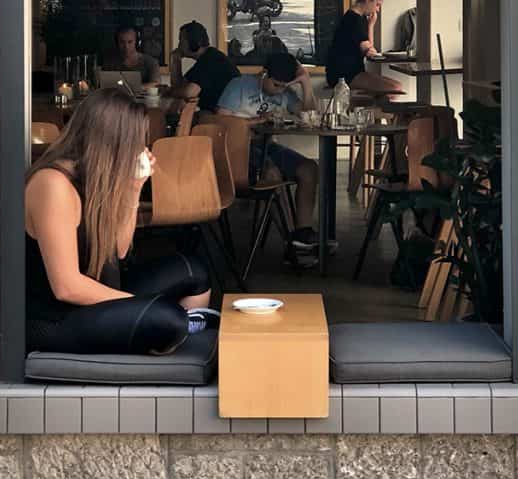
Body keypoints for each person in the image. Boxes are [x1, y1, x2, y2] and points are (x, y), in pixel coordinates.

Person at [25, 87, 217, 356]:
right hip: (55, 320)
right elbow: (66, 287)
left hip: (93, 301)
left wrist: (134, 187)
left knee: (193, 272)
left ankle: (173, 346)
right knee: (168, 317)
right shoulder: (53, 185)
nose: (140, 149)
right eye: (136, 142)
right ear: (112, 142)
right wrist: (141, 304)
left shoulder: (95, 175)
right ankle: (162, 336)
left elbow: (119, 251)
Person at [216, 52, 320, 253]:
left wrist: (305, 82)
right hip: (238, 150)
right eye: (276, 85)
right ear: (264, 74)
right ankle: (291, 240)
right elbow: (221, 123)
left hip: (267, 146)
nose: (279, 90)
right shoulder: (239, 86)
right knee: (272, 173)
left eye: (284, 86)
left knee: (309, 169)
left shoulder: (285, 92)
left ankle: (303, 232)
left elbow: (310, 117)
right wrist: (256, 122)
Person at [325, 0, 405, 95]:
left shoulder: (358, 17)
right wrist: (370, 40)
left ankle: (377, 112)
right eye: (377, 5)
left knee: (392, 89)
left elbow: (368, 47)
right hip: (344, 75)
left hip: (351, 72)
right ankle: (380, 112)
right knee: (396, 87)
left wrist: (371, 25)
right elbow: (370, 51)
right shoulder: (353, 20)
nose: (377, 10)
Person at [168, 20, 239, 112]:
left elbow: (189, 92)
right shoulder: (206, 58)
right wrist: (175, 62)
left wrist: (169, 92)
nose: (179, 45)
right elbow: (180, 86)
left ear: (194, 42)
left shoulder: (211, 59)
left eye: (181, 41)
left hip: (224, 117)